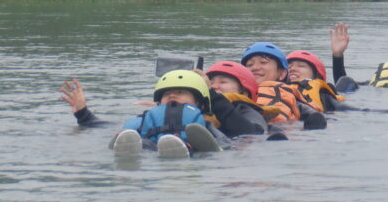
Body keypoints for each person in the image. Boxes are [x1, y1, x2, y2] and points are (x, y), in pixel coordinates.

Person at [60, 69, 225, 157]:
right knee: (142, 143)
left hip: (189, 147)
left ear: (199, 103)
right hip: (151, 146)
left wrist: (222, 146)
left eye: (181, 92)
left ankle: (183, 149)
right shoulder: (146, 117)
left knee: (187, 147)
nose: (173, 96)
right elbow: (104, 126)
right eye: (167, 94)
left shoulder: (204, 123)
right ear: (158, 102)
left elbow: (221, 141)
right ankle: (130, 151)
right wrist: (82, 113)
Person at [289, 46, 388, 116]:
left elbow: (356, 110)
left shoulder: (323, 96)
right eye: (289, 67)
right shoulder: (275, 89)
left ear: (317, 76)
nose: (293, 69)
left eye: (301, 66)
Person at [241, 41, 327, 129]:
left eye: (263, 62)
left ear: (282, 74)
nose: (255, 68)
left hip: (280, 128)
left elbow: (315, 118)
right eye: (249, 65)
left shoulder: (290, 96)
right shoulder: (238, 94)